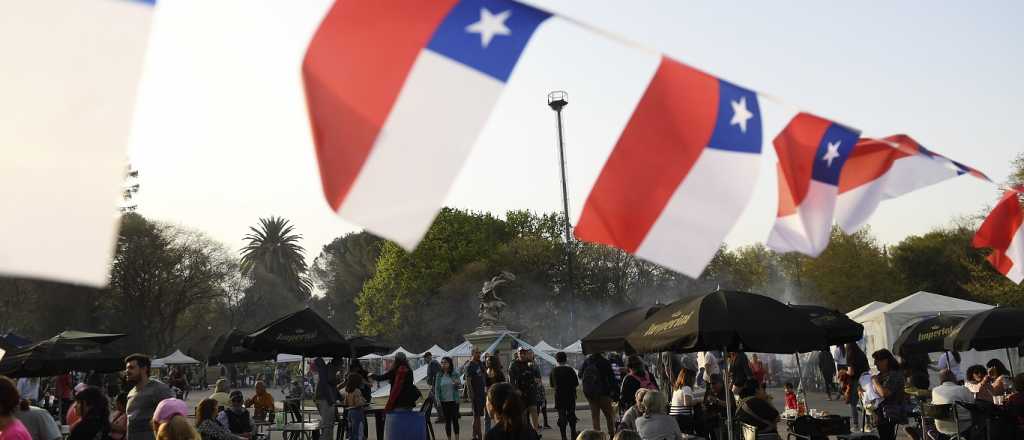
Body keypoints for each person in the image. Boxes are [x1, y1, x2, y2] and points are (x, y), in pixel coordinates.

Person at [126, 354, 174, 440]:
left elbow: (173, 418)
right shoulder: (131, 392)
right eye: (127, 368)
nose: (127, 371)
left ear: (144, 369)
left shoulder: (158, 389)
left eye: (131, 368)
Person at [871, 349, 907, 440]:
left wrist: (875, 381)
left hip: (890, 413)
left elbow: (885, 393)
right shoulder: (882, 374)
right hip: (881, 414)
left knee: (887, 436)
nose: (875, 364)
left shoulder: (894, 374)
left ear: (885, 361)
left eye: (877, 362)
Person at [578, 351, 616, 434]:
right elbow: (612, 378)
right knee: (609, 416)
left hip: (591, 394)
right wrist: (614, 391)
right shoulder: (605, 362)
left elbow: (580, 374)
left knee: (595, 418)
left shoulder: (587, 361)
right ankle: (612, 435)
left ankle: (597, 436)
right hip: (604, 393)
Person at [930, 369, 973, 436]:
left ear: (940, 379)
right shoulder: (962, 389)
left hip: (940, 426)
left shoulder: (935, 391)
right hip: (961, 425)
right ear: (953, 377)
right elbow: (972, 405)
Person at [508, 348, 541, 432]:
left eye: (524, 353)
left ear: (526, 354)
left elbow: (538, 377)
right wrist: (515, 389)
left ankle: (535, 432)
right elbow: (511, 379)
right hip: (520, 392)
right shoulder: (514, 364)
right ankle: (524, 432)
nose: (522, 355)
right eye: (520, 353)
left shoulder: (531, 363)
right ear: (517, 354)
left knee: (533, 409)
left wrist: (536, 380)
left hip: (531, 390)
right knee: (523, 413)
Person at [550, 352, 578, 440]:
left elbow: (552, 385)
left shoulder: (553, 371)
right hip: (570, 396)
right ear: (566, 359)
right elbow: (576, 383)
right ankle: (573, 435)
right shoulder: (570, 370)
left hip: (559, 397)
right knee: (571, 416)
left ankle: (563, 436)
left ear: (556, 360)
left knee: (561, 417)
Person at [434, 357, 462, 440]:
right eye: (442, 363)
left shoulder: (455, 373)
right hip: (444, 402)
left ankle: (457, 438)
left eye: (445, 362)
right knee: (447, 422)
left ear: (450, 364)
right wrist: (438, 400)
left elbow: (459, 385)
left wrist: (457, 384)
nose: (443, 364)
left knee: (455, 420)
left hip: (454, 401)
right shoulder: (439, 375)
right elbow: (436, 389)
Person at [463, 347, 487, 440]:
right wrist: (470, 394)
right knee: (476, 416)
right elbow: (468, 381)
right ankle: (478, 436)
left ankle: (474, 436)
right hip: (475, 394)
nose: (479, 354)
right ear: (472, 354)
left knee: (478, 416)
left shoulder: (480, 363)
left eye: (479, 352)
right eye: (477, 353)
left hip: (482, 393)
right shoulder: (469, 365)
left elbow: (484, 373)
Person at [845, 343, 869, 432]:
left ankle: (856, 425)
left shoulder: (850, 355)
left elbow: (851, 372)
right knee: (865, 403)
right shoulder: (861, 353)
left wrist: (844, 373)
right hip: (865, 380)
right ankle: (868, 424)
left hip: (855, 381)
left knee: (853, 403)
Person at [313, 358, 339, 440]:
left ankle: (326, 438)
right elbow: (330, 381)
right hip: (325, 399)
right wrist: (337, 380)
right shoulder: (328, 368)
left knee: (328, 423)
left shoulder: (324, 370)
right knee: (327, 424)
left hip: (324, 399)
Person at [339, 374, 368, 440]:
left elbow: (345, 402)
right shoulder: (357, 391)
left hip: (350, 412)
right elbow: (358, 403)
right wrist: (363, 401)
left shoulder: (348, 391)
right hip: (357, 413)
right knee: (358, 431)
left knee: (351, 431)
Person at [484, 353, 506, 432]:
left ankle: (500, 433)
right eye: (485, 360)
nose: (486, 362)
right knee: (487, 418)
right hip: (488, 398)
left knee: (498, 417)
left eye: (487, 361)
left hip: (498, 398)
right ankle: (487, 434)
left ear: (492, 362)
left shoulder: (499, 373)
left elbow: (504, 386)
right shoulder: (485, 372)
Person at [424, 352, 442, 423]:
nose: (425, 361)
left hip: (436, 386)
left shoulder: (433, 363)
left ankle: (441, 416)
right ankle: (439, 415)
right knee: (432, 400)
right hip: (434, 385)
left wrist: (433, 384)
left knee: (435, 401)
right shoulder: (432, 363)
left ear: (428, 357)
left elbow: (436, 375)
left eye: (425, 359)